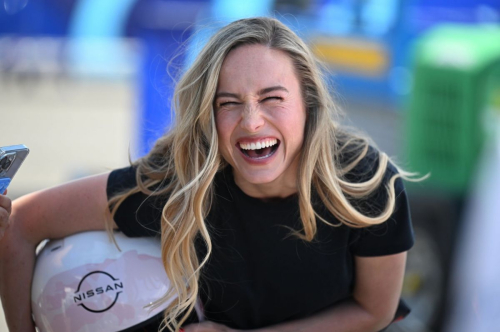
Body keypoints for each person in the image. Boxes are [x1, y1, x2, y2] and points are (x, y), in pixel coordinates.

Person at [0, 17, 415, 332]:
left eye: (272, 98)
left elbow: (374, 311)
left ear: (309, 103)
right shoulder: (180, 184)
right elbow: (18, 224)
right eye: (228, 103)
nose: (251, 122)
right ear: (206, 116)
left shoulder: (365, 181)